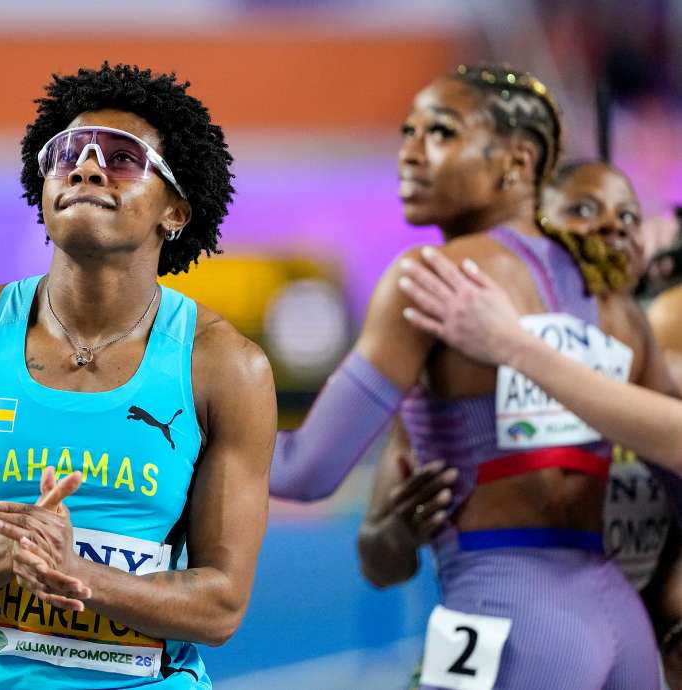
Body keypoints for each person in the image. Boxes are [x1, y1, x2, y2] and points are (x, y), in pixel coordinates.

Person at [270, 64, 669, 688]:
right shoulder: (616, 307)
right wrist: (395, 532)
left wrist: (176, 421)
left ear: (517, 161)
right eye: (407, 132)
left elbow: (305, 470)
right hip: (625, 629)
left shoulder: (434, 282)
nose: (409, 152)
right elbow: (382, 557)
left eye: (441, 132)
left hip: (506, 616)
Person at [0, 63, 276, 690]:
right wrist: (6, 554)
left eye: (123, 159)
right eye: (67, 154)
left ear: (175, 211)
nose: (86, 169)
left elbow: (220, 606)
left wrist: (74, 571)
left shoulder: (225, 367)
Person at [364, 158, 682, 687]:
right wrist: (397, 532)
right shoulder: (452, 381)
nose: (611, 226)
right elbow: (379, 559)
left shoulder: (649, 341)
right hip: (515, 629)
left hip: (636, 636)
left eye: (629, 216)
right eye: (583, 209)